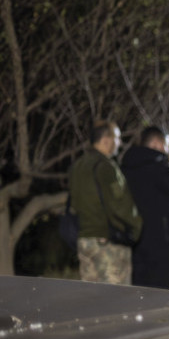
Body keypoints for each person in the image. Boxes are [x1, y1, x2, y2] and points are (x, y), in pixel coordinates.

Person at [68, 120, 143, 285]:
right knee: (117, 300)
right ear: (106, 139)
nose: (119, 143)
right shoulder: (106, 167)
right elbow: (120, 205)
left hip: (85, 241)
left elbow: (73, 204)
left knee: (93, 300)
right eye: (117, 137)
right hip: (108, 243)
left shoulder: (78, 166)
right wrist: (135, 228)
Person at [122, 126, 169, 289]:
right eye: (166, 146)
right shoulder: (159, 169)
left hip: (134, 241)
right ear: (156, 143)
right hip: (161, 244)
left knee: (140, 295)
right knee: (163, 296)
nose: (167, 151)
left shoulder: (125, 168)